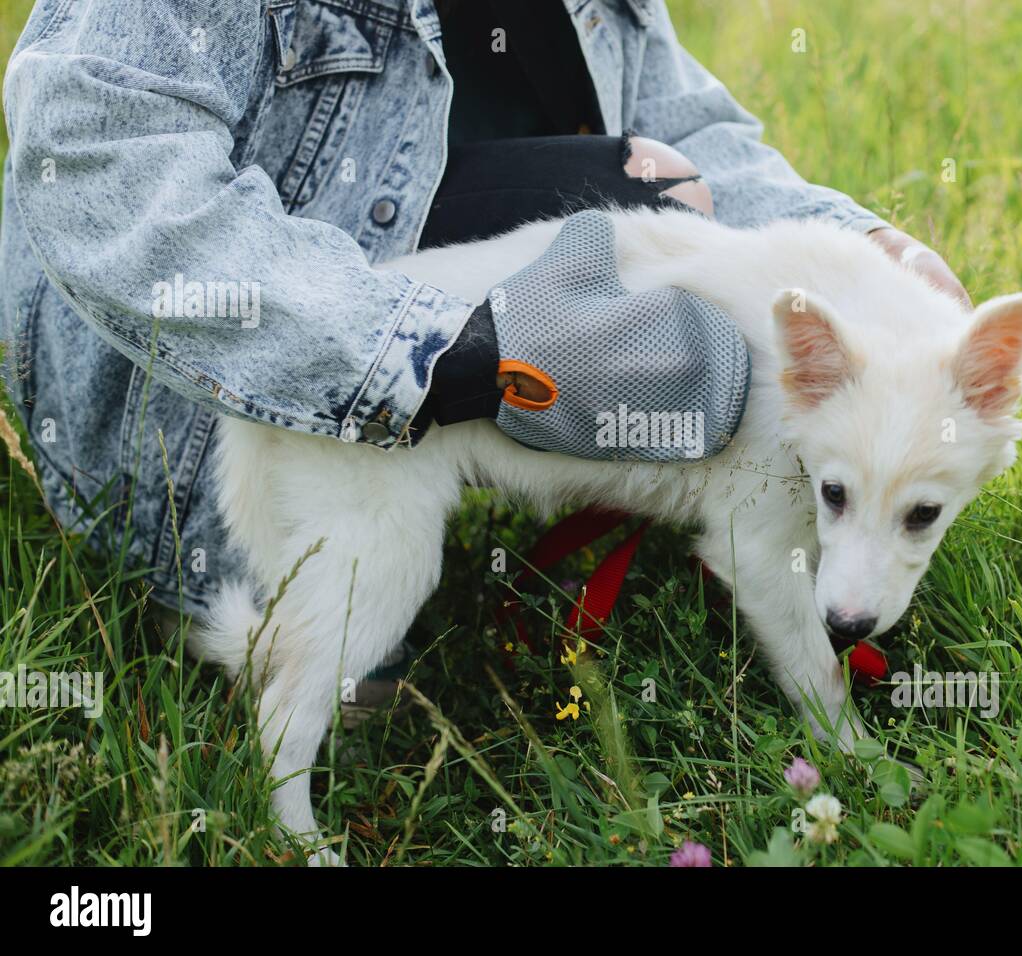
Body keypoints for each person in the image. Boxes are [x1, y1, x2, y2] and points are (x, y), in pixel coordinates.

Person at [0, 0, 968, 619]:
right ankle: (284, 545)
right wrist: (428, 352)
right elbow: (104, 159)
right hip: (178, 403)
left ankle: (533, 472)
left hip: (413, 261)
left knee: (662, 188)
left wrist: (865, 241)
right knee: (333, 643)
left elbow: (685, 128)